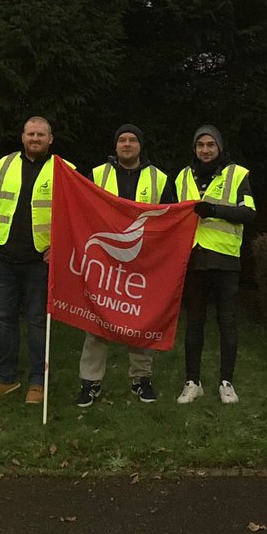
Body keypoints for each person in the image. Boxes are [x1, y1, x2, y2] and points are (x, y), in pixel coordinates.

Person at [76, 123, 175, 407]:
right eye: (122, 140)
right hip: (104, 259)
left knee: (140, 319)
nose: (127, 144)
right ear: (115, 145)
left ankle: (141, 379)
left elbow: (169, 218)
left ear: (140, 145)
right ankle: (90, 382)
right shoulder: (96, 174)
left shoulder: (159, 178)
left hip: (143, 261)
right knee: (96, 318)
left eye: (132, 140)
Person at [0, 116, 73, 405]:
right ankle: (4, 379)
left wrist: (59, 247)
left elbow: (72, 217)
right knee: (4, 320)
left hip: (39, 261)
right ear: (22, 137)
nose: (35, 139)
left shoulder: (64, 170)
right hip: (3, 258)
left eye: (41, 135)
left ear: (50, 139)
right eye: (31, 134)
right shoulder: (4, 164)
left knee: (37, 322)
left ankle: (37, 382)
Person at [174, 125, 255, 404]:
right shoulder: (183, 176)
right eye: (200, 145)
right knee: (194, 323)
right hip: (194, 260)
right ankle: (192, 381)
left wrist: (215, 210)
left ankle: (226, 383)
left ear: (219, 147)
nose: (205, 150)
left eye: (210, 145)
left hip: (225, 259)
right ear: (194, 149)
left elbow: (249, 212)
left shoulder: (238, 174)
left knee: (227, 323)